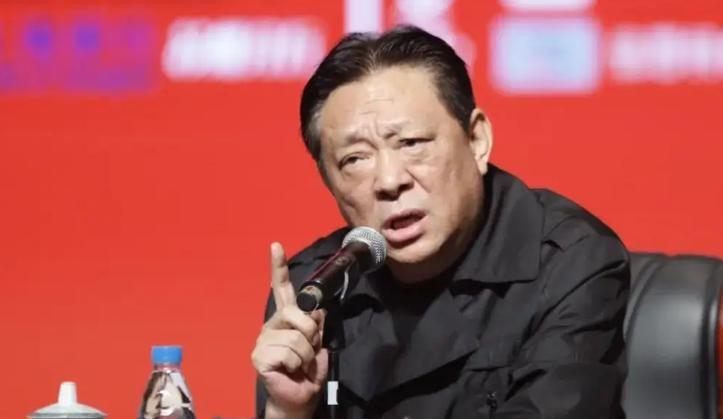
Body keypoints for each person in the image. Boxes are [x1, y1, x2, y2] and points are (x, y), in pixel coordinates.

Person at [251, 25, 629, 418]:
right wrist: (287, 411)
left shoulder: (571, 262)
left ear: (477, 139)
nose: (389, 181)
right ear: (328, 182)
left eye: (411, 143)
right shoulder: (315, 290)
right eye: (355, 159)